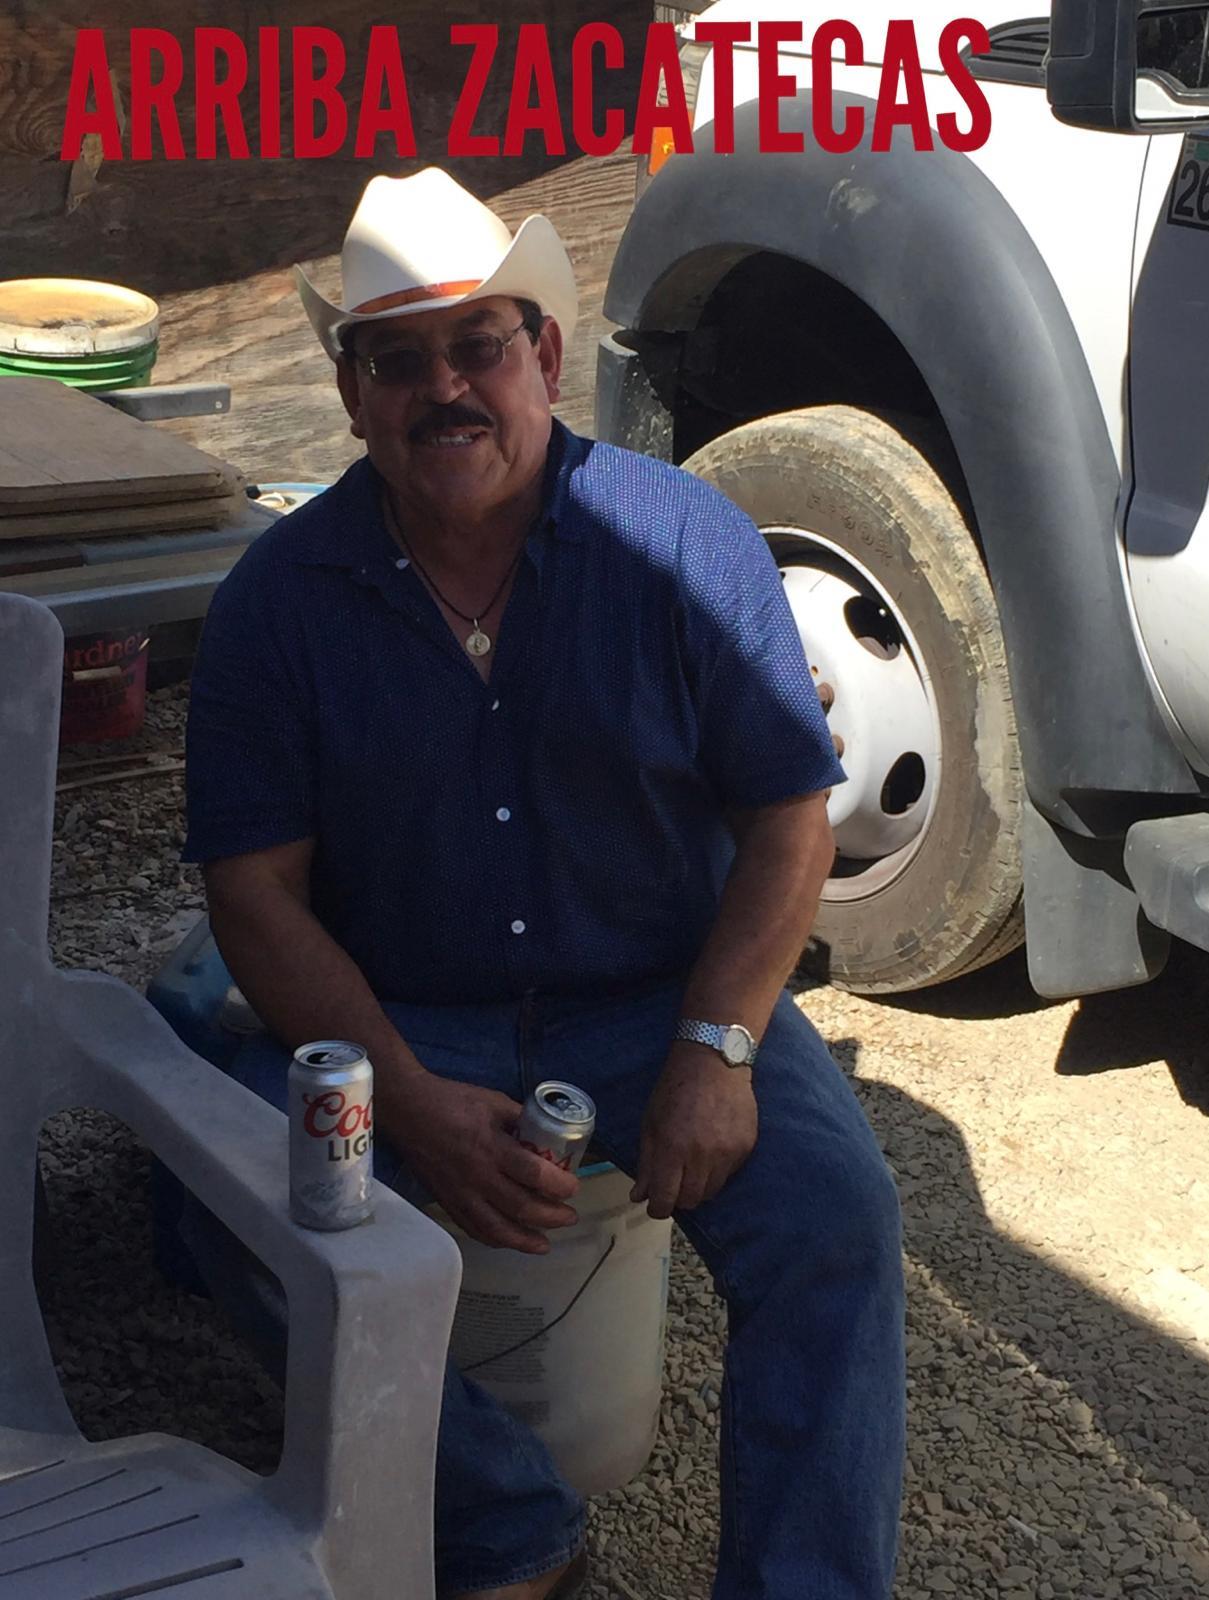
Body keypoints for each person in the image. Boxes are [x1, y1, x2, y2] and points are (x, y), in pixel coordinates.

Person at [181, 166, 905, 1600]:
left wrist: (718, 1047)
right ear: (349, 394)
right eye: (395, 357)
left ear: (548, 359)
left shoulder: (683, 543)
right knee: (216, 1201)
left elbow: (786, 820)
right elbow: (253, 892)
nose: (441, 387)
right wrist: (404, 1092)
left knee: (838, 1229)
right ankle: (510, 1529)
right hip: (406, 1009)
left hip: (657, 995)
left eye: (477, 344)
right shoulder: (279, 595)